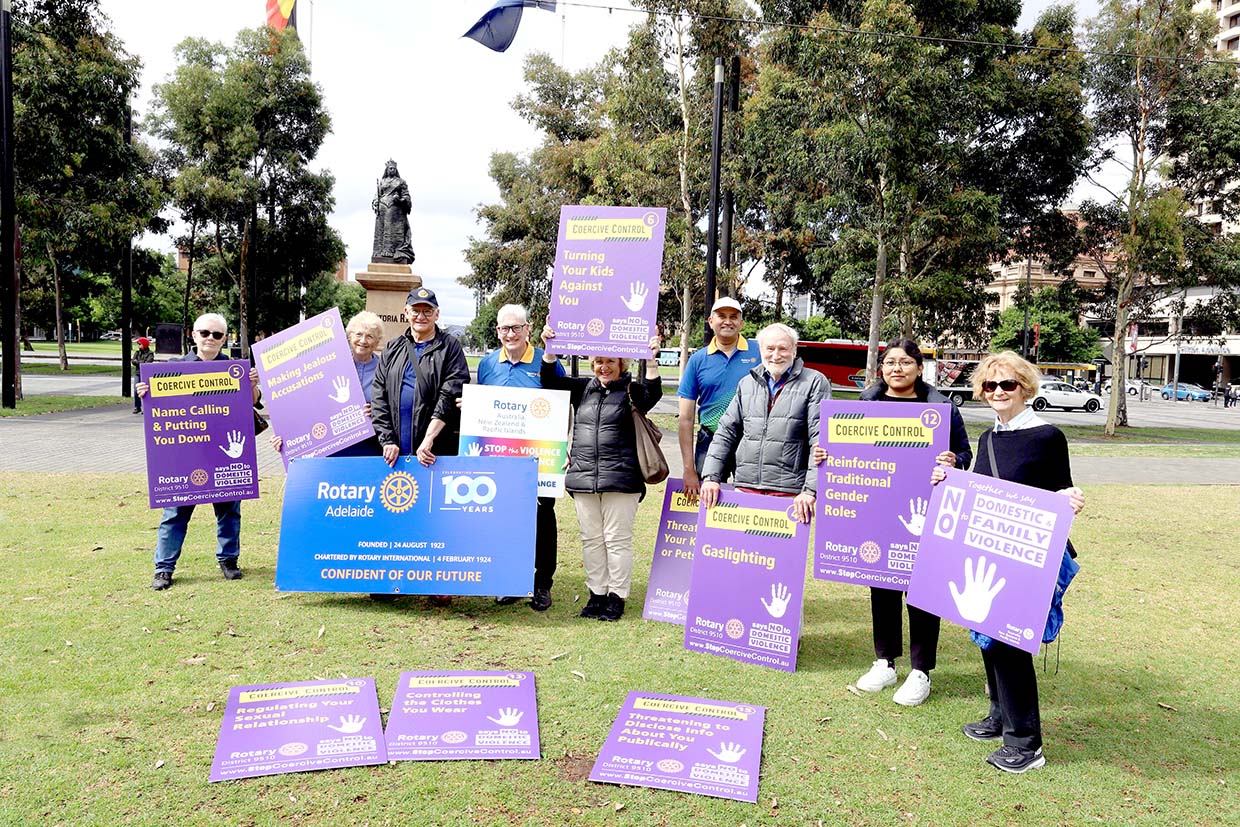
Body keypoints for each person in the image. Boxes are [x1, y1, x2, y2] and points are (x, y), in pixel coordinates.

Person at [931, 350, 1084, 774]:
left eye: (1007, 384)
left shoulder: (1047, 436)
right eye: (990, 385)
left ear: (1025, 388)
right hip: (989, 551)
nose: (998, 391)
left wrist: (1068, 499)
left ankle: (1026, 743)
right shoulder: (988, 439)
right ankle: (999, 717)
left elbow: (1061, 490)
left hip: (1027, 559)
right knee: (986, 634)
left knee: (1012, 645)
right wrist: (949, 477)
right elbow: (981, 491)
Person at [849, 339, 973, 707]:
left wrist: (955, 460)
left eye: (905, 362)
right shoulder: (867, 405)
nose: (897, 369)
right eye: (890, 363)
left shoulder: (941, 408)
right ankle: (885, 662)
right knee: (882, 586)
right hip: (880, 509)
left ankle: (921, 671)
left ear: (920, 368)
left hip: (926, 514)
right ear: (881, 369)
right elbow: (848, 449)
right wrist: (828, 454)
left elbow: (966, 453)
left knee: (923, 592)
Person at [539, 325, 662, 622]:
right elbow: (549, 381)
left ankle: (616, 596)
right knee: (591, 539)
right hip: (583, 477)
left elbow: (652, 394)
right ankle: (596, 593)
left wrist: (654, 358)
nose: (603, 367)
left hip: (621, 479)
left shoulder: (632, 391)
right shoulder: (582, 389)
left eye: (610, 362)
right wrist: (549, 348)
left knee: (617, 539)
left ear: (621, 364)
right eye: (598, 362)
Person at [138, 314, 261, 591]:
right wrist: (145, 392)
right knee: (175, 512)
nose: (210, 338)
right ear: (193, 335)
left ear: (225, 339)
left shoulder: (234, 369)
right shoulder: (173, 368)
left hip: (224, 450)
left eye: (217, 335)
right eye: (205, 332)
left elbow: (252, 403)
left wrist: (252, 384)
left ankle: (229, 560)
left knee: (229, 510)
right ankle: (164, 568)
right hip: (186, 452)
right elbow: (157, 411)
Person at [476, 304, 566, 612]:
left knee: (542, 518)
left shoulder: (545, 361)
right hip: (500, 460)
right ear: (497, 331)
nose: (510, 334)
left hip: (538, 459)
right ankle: (511, 580)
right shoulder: (488, 364)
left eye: (516, 328)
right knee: (505, 519)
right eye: (504, 329)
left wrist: (563, 446)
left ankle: (542, 584)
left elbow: (561, 403)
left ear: (528, 329)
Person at [700, 323, 828, 524]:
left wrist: (811, 490)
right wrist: (711, 478)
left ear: (794, 350)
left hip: (788, 492)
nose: (776, 355)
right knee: (742, 553)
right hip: (745, 486)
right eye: (770, 348)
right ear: (761, 350)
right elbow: (726, 433)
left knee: (780, 555)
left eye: (783, 348)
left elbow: (820, 441)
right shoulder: (747, 383)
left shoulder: (814, 382)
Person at [371, 287, 470, 469]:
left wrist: (429, 438)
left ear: (437, 314)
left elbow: (449, 394)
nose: (421, 316)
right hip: (394, 455)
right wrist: (387, 440)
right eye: (416, 310)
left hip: (434, 453)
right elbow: (378, 396)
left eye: (427, 311)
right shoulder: (393, 348)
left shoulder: (450, 347)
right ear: (406, 312)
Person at [270, 310, 385, 458]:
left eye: (370, 336)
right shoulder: (329, 364)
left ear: (377, 342)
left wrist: (377, 411)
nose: (363, 340)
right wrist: (285, 435)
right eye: (358, 334)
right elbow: (305, 401)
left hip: (369, 449)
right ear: (349, 336)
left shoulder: (385, 370)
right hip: (330, 450)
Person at [677, 297, 759, 497]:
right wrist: (689, 469)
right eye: (721, 316)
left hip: (751, 439)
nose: (727, 321)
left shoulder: (760, 353)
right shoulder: (698, 360)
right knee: (706, 501)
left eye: (733, 317)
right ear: (710, 321)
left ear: (741, 323)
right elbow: (685, 418)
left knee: (751, 501)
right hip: (710, 440)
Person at [131, 336, 154, 414]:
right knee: (136, 390)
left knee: (145, 391)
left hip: (146, 374)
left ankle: (146, 407)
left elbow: (148, 362)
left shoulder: (150, 353)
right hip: (138, 373)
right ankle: (137, 407)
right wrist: (141, 362)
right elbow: (133, 361)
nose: (139, 346)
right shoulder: (137, 352)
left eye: (140, 344)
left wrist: (139, 362)